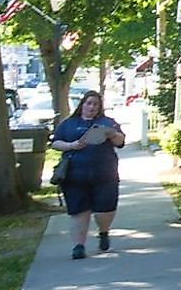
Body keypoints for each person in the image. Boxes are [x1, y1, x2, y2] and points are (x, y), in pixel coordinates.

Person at [49, 90, 126, 259]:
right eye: (89, 103)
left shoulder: (107, 122)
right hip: (74, 176)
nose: (92, 107)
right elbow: (55, 143)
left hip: (105, 174)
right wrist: (72, 145)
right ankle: (79, 246)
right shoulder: (68, 124)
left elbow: (120, 142)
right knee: (79, 211)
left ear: (100, 107)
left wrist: (112, 134)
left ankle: (103, 232)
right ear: (82, 105)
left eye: (95, 104)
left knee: (104, 210)